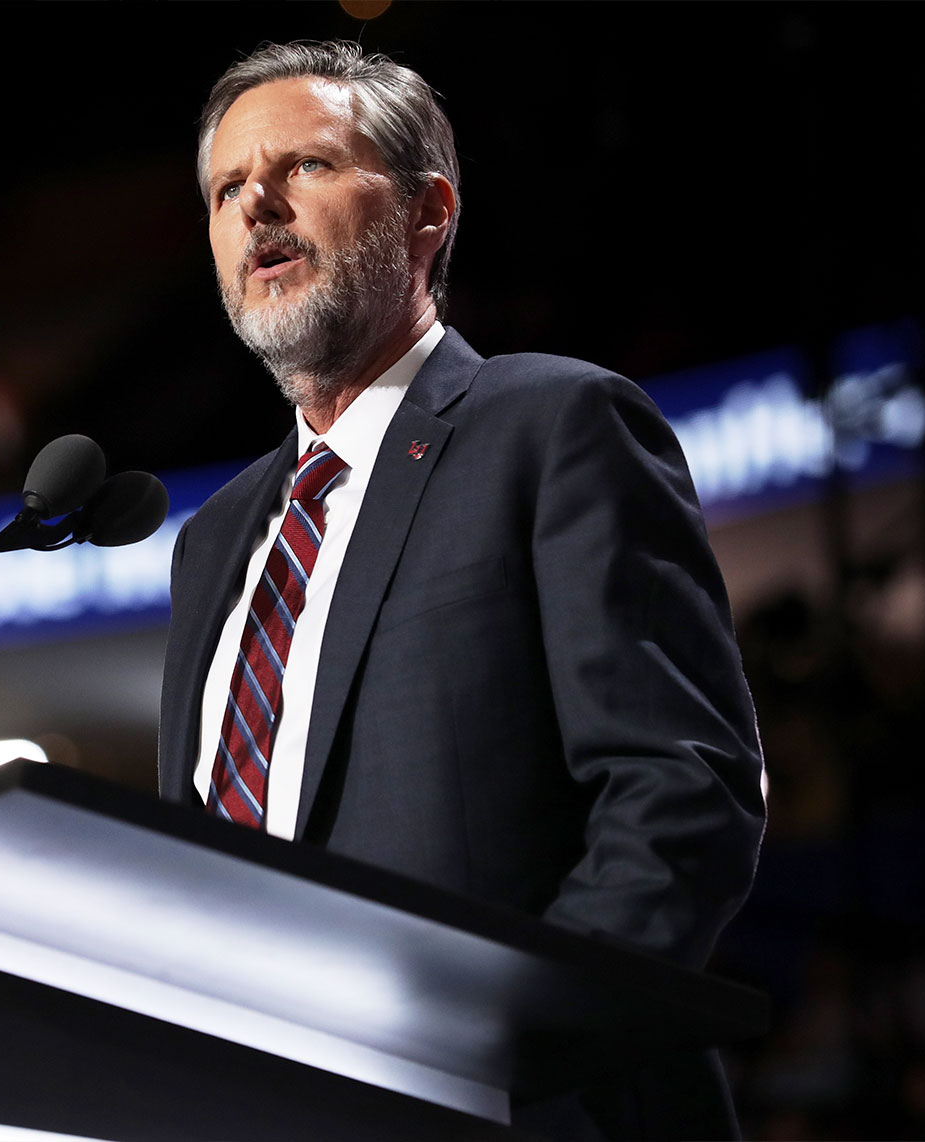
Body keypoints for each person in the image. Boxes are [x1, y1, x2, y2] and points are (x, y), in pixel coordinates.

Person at [157, 40, 766, 1139]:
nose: (259, 208)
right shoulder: (213, 541)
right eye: (229, 188)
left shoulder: (554, 427)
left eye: (303, 168)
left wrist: (501, 1053)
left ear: (427, 213)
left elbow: (681, 790)